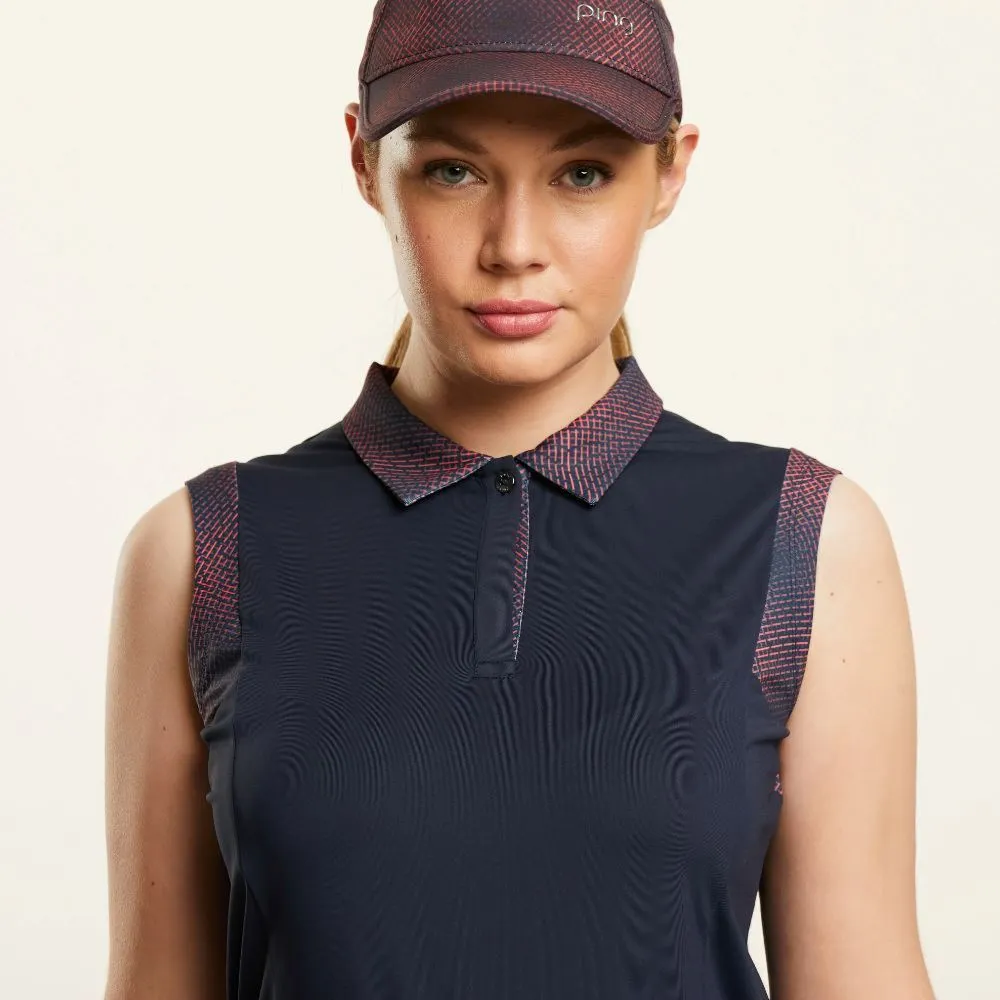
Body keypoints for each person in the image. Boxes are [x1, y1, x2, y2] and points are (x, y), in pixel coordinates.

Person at [103, 1, 937, 998]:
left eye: (582, 174)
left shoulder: (803, 542)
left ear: (670, 172)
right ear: (364, 161)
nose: (514, 245)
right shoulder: (204, 551)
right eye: (453, 171)